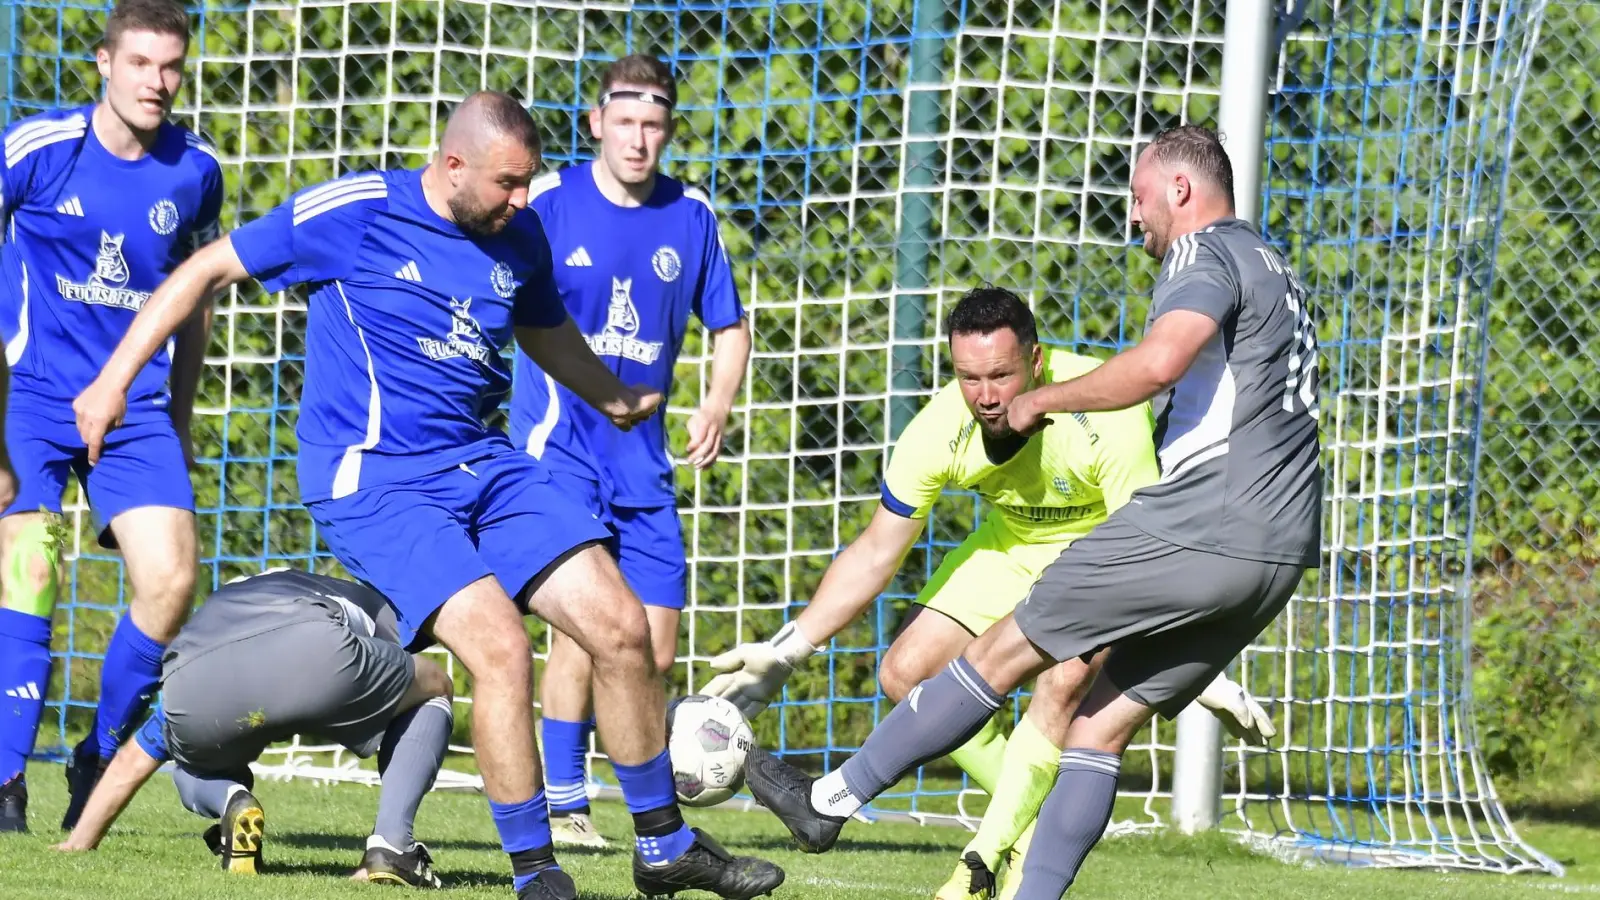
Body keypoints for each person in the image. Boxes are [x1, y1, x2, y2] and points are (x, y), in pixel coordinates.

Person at [70, 91, 784, 900]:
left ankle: (664, 848)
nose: (523, 200)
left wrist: (612, 395)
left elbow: (543, 327)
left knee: (620, 627)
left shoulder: (519, 235)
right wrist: (111, 382)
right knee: (500, 649)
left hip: (480, 464)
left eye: (529, 182)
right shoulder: (357, 212)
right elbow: (205, 269)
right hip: (374, 480)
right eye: (508, 184)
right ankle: (537, 874)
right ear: (451, 166)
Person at [737, 124, 1322, 900]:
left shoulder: (1201, 252)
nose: (1135, 217)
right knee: (1097, 729)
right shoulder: (1272, 261)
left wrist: (1041, 403)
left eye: (1140, 196)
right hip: (1281, 547)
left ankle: (829, 802)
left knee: (1005, 650)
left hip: (1205, 517)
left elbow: (1159, 364)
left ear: (1180, 189)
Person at [704, 286, 1274, 899]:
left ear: (1037, 359)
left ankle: (988, 859)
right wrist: (791, 648)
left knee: (1061, 684)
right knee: (906, 673)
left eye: (1000, 374)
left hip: (1102, 552)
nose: (985, 395)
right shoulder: (941, 426)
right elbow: (875, 552)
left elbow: (1143, 550)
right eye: (968, 377)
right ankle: (1038, 816)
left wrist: (1188, 666)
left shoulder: (1105, 411)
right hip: (1008, 547)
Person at [508, 53, 750, 850]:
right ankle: (569, 803)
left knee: (654, 642)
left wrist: (715, 402)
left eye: (654, 125)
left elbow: (730, 326)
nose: (639, 139)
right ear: (596, 123)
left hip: (644, 464)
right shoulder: (547, 202)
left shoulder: (692, 216)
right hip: (559, 454)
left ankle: (646, 801)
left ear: (668, 131)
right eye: (625, 122)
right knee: (586, 628)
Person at [0, 0, 223, 833]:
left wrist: (185, 412)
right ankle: (5, 783)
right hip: (26, 397)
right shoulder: (39, 148)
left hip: (136, 413)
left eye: (172, 66)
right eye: (140, 64)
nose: (158, 82)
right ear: (103, 63)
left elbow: (194, 296)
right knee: (30, 571)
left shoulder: (196, 169)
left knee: (170, 582)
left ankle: (96, 754)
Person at [52, 569, 455, 886]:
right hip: (316, 651)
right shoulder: (354, 592)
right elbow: (410, 641)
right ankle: (390, 844)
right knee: (434, 686)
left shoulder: (215, 612)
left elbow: (130, 764)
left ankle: (231, 800)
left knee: (192, 765)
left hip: (195, 680)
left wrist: (79, 841)